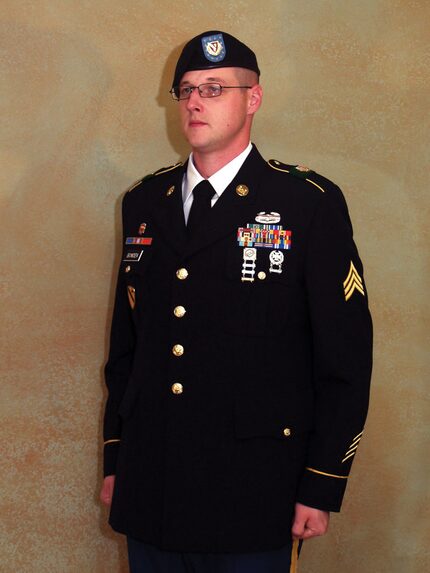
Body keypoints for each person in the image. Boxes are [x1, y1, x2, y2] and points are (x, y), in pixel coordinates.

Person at [100, 30, 373, 573]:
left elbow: (345, 360)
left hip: (254, 490)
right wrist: (116, 457)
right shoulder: (143, 201)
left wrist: (322, 482)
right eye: (187, 90)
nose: (196, 100)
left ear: (253, 99)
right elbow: (128, 349)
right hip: (152, 483)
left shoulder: (305, 204)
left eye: (215, 87)